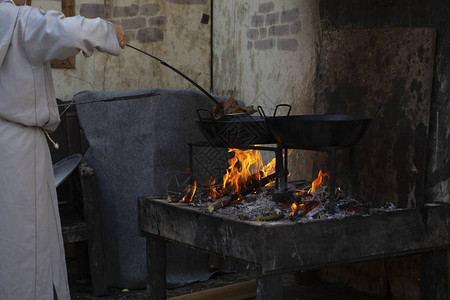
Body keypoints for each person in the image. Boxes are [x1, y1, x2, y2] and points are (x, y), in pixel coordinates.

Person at [0, 0, 125, 298]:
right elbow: (63, 29)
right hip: (19, 151)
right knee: (28, 244)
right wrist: (109, 32)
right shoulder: (18, 21)